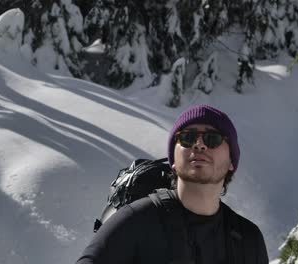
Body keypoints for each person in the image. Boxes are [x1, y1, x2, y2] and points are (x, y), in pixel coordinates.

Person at [76, 104, 268, 264]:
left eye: (212, 139)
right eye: (188, 137)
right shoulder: (135, 222)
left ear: (232, 161)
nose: (199, 145)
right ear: (173, 160)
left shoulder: (247, 239)